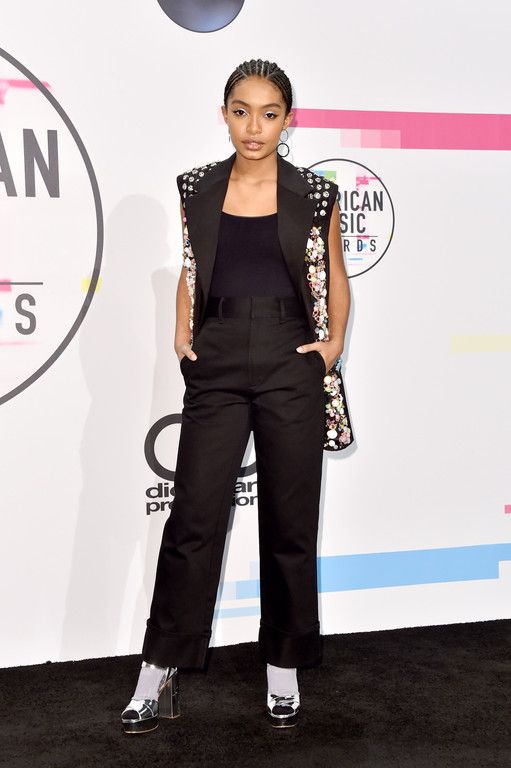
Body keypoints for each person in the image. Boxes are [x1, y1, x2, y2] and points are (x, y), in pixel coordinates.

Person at [121, 58, 350, 734]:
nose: (254, 127)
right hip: (217, 356)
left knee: (289, 523)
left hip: (289, 357)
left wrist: (332, 345)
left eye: (269, 114)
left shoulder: (315, 193)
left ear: (287, 120)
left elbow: (336, 274)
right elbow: (193, 266)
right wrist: (182, 331)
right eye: (242, 111)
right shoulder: (196, 187)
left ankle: (282, 664)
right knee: (192, 519)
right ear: (223, 114)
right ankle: (158, 667)